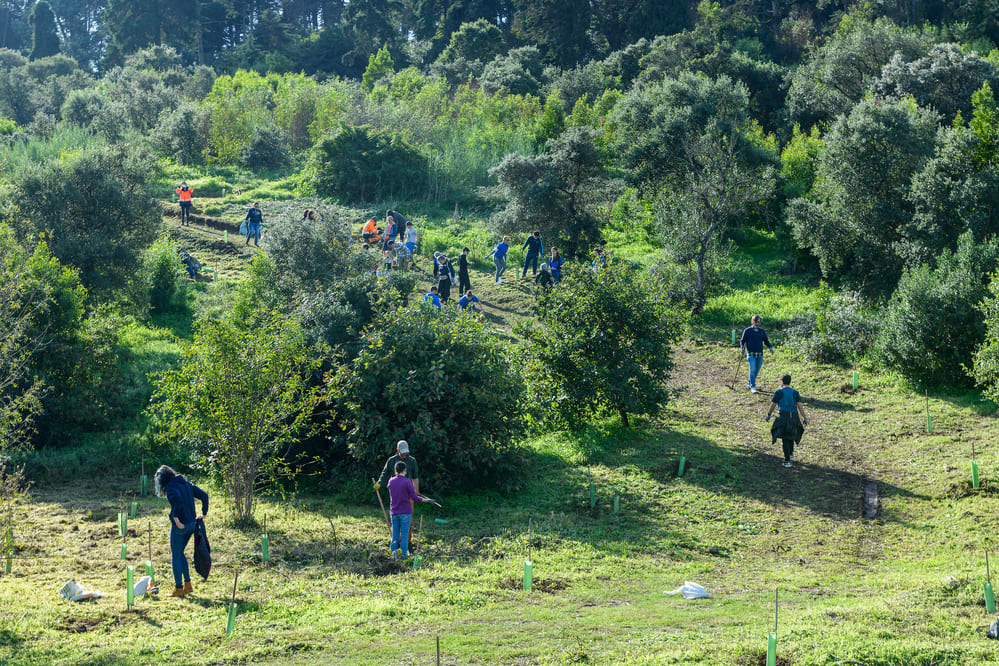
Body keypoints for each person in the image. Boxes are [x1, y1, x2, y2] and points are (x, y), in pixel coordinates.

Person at [154, 465, 208, 598]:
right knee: (180, 552)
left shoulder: (171, 487)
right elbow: (204, 495)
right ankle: (188, 585)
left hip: (181, 526)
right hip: (192, 524)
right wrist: (204, 512)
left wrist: (176, 519)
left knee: (176, 555)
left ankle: (179, 589)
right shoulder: (186, 483)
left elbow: (177, 501)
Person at [374, 440, 420, 551]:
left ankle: (407, 542)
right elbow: (384, 474)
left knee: (408, 519)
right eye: (402, 452)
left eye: (406, 452)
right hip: (396, 494)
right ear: (398, 450)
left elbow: (415, 477)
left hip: (408, 493)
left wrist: (416, 491)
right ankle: (398, 542)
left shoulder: (412, 461)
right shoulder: (391, 460)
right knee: (396, 518)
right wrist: (379, 483)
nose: (404, 454)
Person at [387, 461, 435, 559]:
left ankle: (393, 557)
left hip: (394, 512)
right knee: (404, 536)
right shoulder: (407, 481)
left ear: (395, 470)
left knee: (395, 535)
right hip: (405, 512)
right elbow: (415, 498)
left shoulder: (391, 481)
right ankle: (404, 557)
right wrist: (427, 500)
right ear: (405, 470)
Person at [766, 374, 808, 468]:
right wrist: (804, 417)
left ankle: (787, 460)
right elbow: (800, 405)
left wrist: (769, 414)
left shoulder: (779, 392)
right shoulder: (795, 392)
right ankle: (791, 454)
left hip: (784, 416)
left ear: (782, 382)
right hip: (794, 416)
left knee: (785, 437)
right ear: (790, 381)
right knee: (791, 435)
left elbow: (773, 404)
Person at [739, 314, 774, 393]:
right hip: (751, 354)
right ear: (752, 321)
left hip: (760, 354)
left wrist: (770, 347)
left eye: (759, 322)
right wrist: (742, 349)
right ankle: (753, 387)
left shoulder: (761, 331)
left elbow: (766, 340)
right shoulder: (747, 331)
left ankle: (749, 383)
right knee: (752, 370)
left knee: (756, 371)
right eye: (756, 321)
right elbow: (742, 341)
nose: (757, 323)